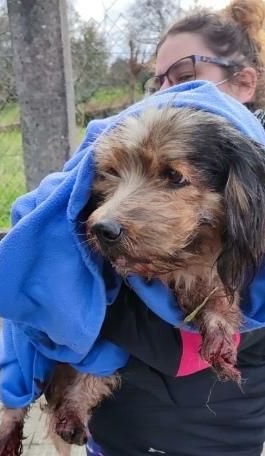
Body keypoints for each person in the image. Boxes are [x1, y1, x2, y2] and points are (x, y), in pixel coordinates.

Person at [86, 1, 265, 455]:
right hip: (118, 432)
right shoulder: (134, 140)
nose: (165, 92)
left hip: (216, 432)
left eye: (184, 77)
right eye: (158, 80)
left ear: (244, 82)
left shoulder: (242, 171)